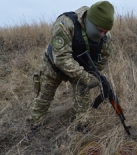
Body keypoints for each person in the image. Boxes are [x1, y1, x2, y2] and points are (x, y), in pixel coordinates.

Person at [28, 1, 114, 135]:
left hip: (80, 69)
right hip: (53, 67)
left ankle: (81, 127)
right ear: (91, 22)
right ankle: (33, 126)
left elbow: (101, 61)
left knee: (83, 102)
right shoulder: (65, 24)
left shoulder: (105, 38)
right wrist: (86, 78)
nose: (103, 34)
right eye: (100, 30)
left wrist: (94, 76)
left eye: (106, 31)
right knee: (44, 98)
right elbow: (61, 58)